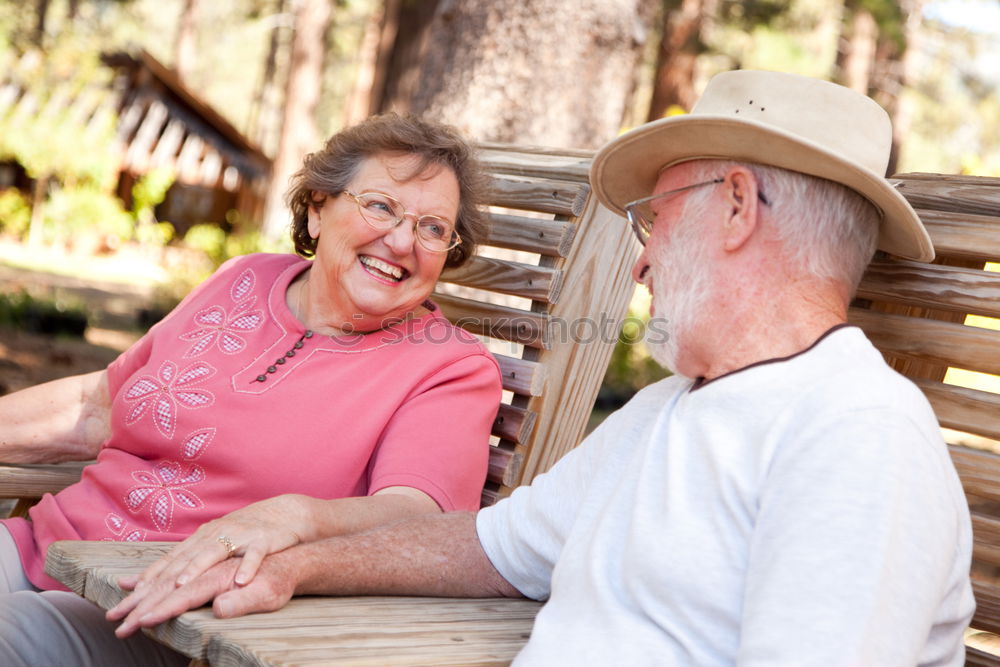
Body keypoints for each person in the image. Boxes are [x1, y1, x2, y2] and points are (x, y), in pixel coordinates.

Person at [110, 71, 975, 665]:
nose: (640, 262)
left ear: (737, 206)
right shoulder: (674, 409)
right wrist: (298, 555)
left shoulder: (856, 439)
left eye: (656, 216)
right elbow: (493, 548)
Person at [0, 112, 503, 665]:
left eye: (433, 228)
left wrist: (295, 517)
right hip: (40, 548)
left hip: (165, 613)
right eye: (381, 206)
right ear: (317, 209)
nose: (403, 240)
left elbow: (418, 517)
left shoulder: (449, 366)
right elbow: (100, 406)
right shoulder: (244, 278)